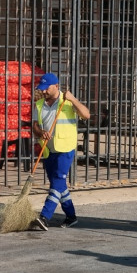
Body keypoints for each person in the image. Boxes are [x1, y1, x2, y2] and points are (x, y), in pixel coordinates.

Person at [30, 73, 90, 230]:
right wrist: (41, 131)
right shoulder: (39, 104)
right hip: (48, 150)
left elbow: (86, 114)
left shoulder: (67, 102)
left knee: (56, 182)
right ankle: (71, 216)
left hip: (65, 148)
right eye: (41, 89)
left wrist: (73, 99)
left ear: (56, 86)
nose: (43, 92)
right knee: (59, 185)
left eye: (46, 89)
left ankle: (44, 216)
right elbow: (34, 126)